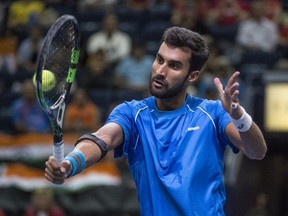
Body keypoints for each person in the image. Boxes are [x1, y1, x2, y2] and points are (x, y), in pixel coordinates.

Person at [45, 26, 267, 215]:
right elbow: (103, 138)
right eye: (159, 60)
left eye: (174, 65)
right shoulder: (132, 114)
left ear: (192, 76)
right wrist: (70, 163)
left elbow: (257, 151)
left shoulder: (212, 113)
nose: (160, 71)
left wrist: (238, 115)